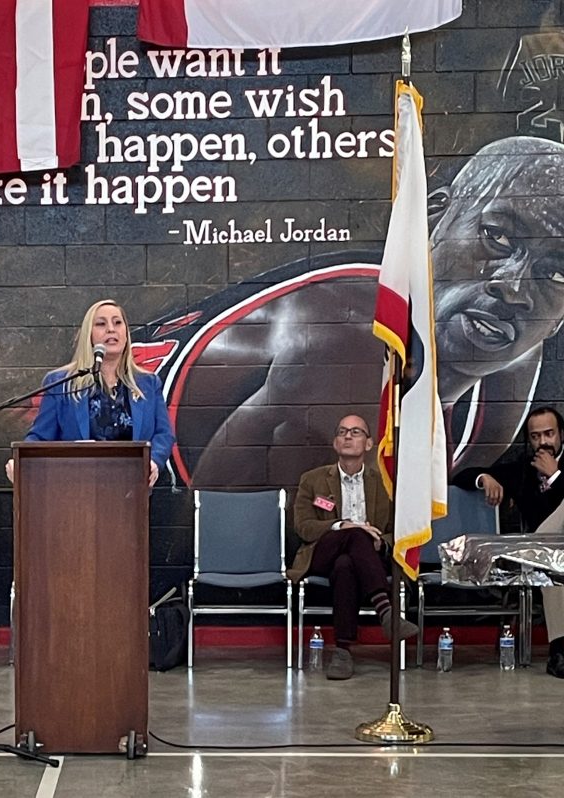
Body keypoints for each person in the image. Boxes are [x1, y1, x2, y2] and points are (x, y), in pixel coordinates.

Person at [133, 135, 564, 490]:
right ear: (432, 218)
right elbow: (213, 523)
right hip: (141, 421)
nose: (514, 289)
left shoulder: (513, 346)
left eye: (556, 272)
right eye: (496, 238)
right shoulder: (349, 339)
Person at [290, 414, 419, 680]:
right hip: (322, 553)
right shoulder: (312, 480)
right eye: (342, 432)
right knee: (354, 535)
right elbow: (303, 527)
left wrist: (379, 540)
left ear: (369, 444)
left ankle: (342, 651)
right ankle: (386, 611)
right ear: (336, 442)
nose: (348, 436)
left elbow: (401, 531)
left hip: (368, 556)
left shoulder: (385, 484)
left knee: (346, 564)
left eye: (356, 432)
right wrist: (342, 526)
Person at [453, 406, 564, 678]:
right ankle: (560, 652)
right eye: (535, 436)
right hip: (548, 560)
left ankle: (543, 545)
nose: (543, 442)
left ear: (562, 435)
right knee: (553, 567)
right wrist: (485, 478)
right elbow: (461, 476)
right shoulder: (521, 470)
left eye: (549, 434)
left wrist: (555, 476)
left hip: (546, 551)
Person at [17, 299, 175, 487]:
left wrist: (154, 462)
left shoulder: (148, 384)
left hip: (133, 490)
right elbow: (40, 437)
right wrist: (20, 461)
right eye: (101, 324)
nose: (111, 329)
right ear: (88, 335)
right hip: (77, 491)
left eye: (117, 323)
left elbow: (163, 434)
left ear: (126, 333)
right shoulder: (61, 383)